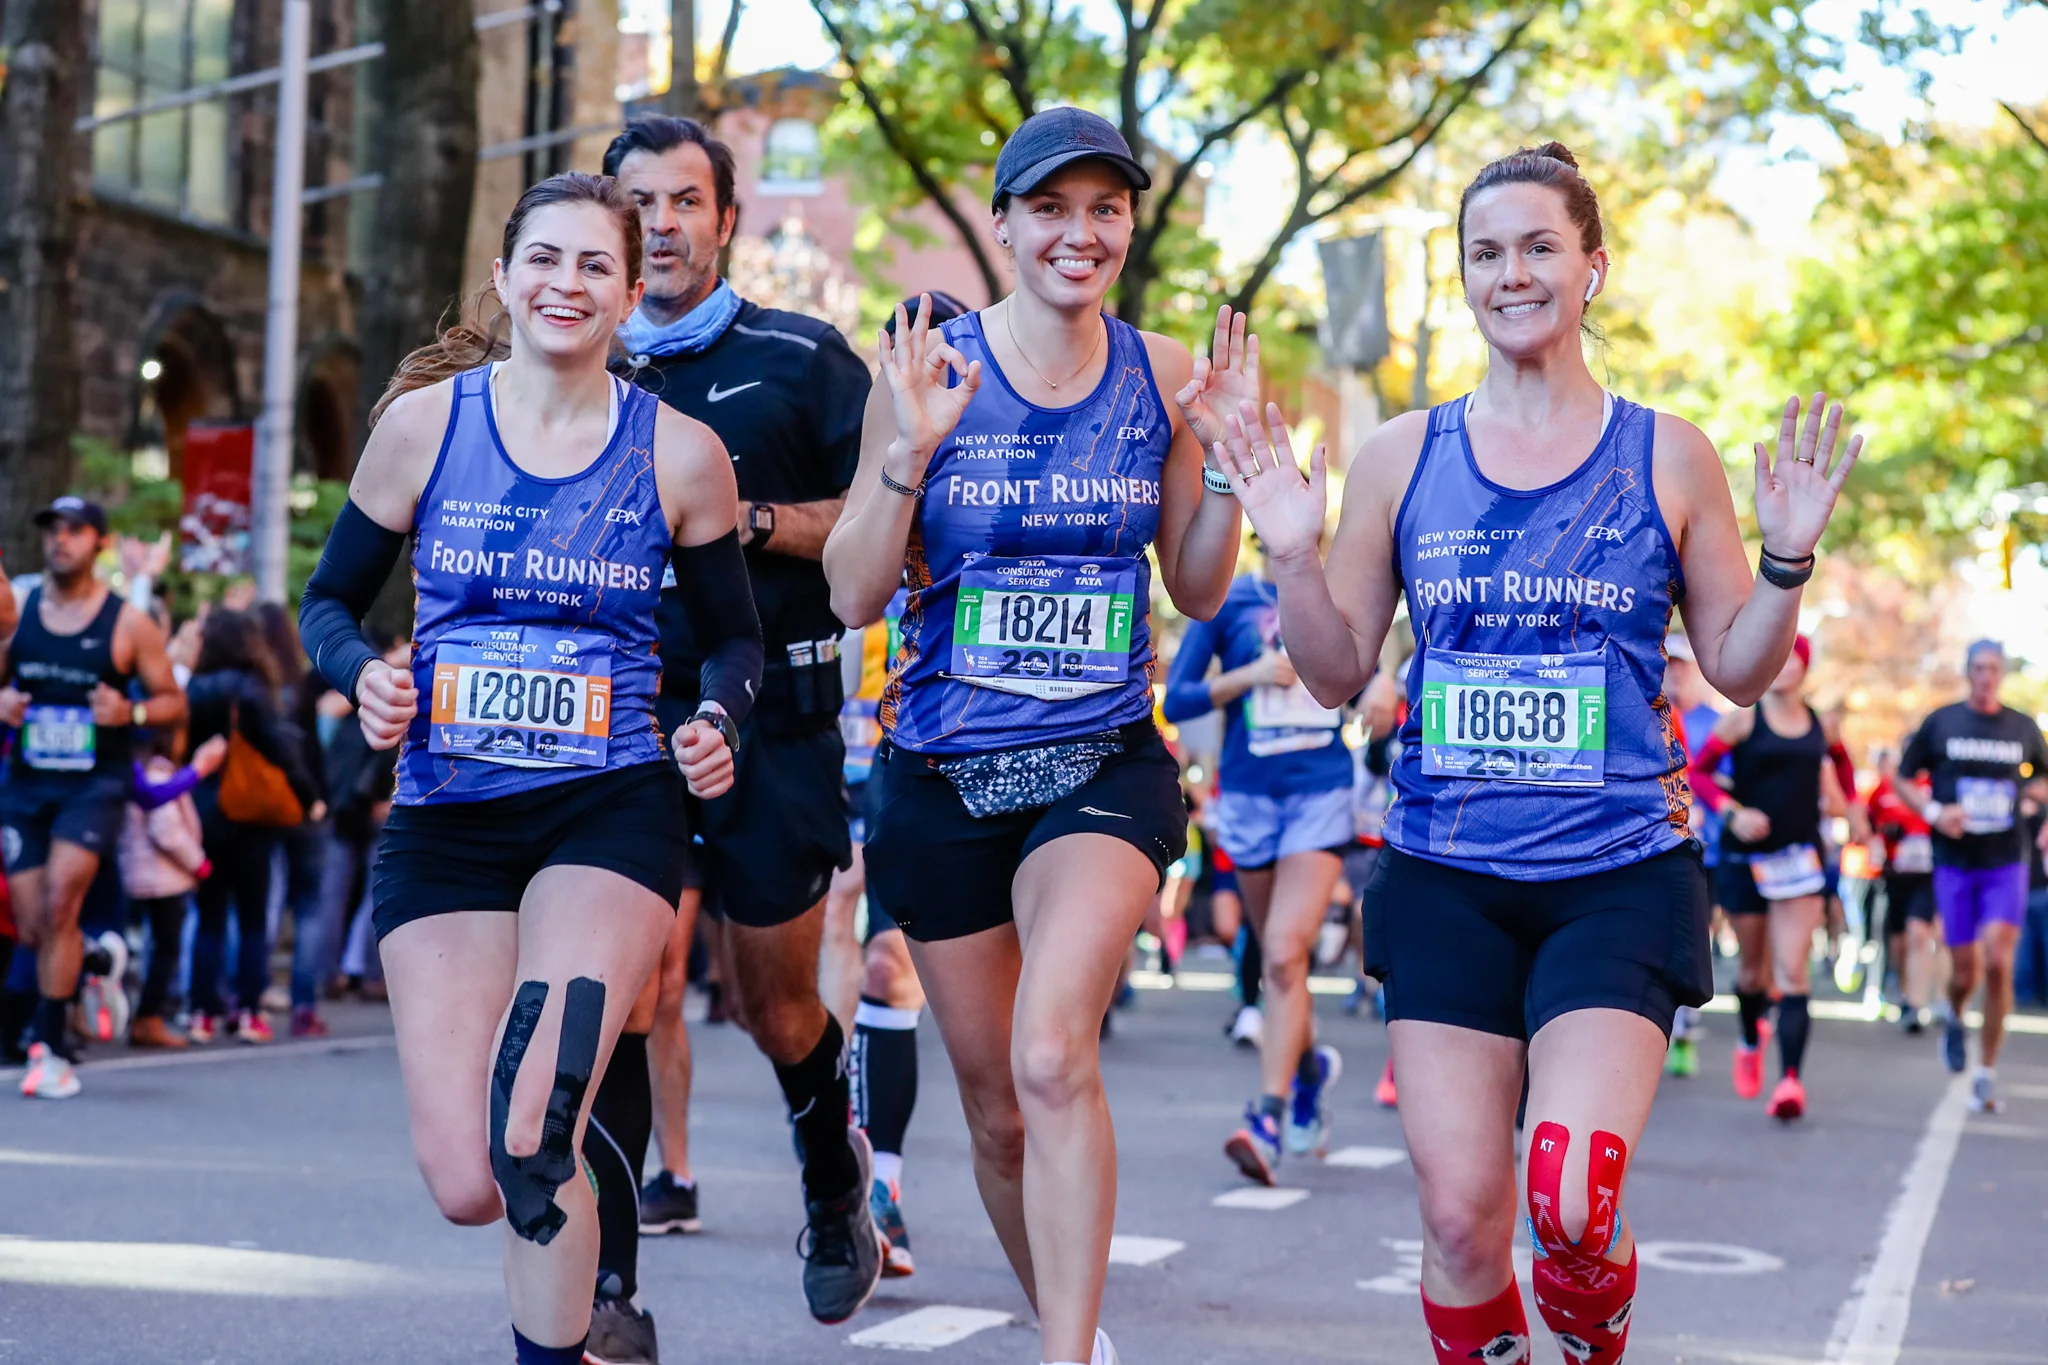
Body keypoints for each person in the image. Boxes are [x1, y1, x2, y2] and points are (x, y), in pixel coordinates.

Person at [1210, 141, 1860, 1364]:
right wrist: (1291, 553)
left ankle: (1592, 1333)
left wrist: (1783, 562)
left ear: (1590, 267)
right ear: (1463, 276)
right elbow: (1337, 671)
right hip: (1443, 873)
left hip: (1614, 872)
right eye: (1485, 253)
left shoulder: (1666, 453)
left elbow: (1735, 667)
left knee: (1567, 1201)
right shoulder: (1401, 456)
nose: (1510, 274)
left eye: (1538, 248)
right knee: (1462, 1221)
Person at [295, 170, 760, 1365]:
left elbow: (734, 643)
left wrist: (717, 718)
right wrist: (361, 676)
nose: (567, 283)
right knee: (468, 1179)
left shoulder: (681, 455)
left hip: (606, 811)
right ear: (503, 277)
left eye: (595, 265)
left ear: (628, 294)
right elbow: (328, 603)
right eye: (544, 259)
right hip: (447, 818)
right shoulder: (424, 428)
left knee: (535, 1134)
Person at [825, 106, 1248, 1365]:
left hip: (1100, 763)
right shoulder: (925, 366)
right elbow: (850, 592)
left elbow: (1198, 587)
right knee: (998, 1112)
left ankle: (1062, 1354)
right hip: (940, 773)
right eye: (1050, 208)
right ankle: (1075, 1326)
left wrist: (1227, 463)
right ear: (1003, 223)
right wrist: (910, 452)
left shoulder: (1162, 374)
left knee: (1054, 1052)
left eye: (1104, 209)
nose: (1080, 233)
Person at [574, 116, 884, 1363]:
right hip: (618, 724)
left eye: (684, 200)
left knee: (771, 1003)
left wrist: (739, 519)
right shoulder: (574, 361)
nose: (660, 224)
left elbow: (885, 527)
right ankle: (611, 1290)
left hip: (776, 721)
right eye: (638, 202)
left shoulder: (802, 358)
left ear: (727, 219)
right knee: (625, 993)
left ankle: (833, 1174)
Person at [1163, 549, 1351, 1183]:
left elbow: (1368, 676)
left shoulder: (1342, 589)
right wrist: (1248, 676)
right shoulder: (1230, 602)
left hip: (1320, 792)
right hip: (1249, 798)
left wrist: (1377, 686)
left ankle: (1267, 1118)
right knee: (1279, 962)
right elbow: (1178, 699)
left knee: (1283, 953)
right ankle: (1308, 1072)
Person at [2, 496, 186, 1099]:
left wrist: (130, 711)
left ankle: (51, 1049)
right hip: (27, 784)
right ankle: (97, 963)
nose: (60, 539)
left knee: (61, 904)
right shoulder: (19, 613)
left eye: (75, 530)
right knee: (34, 924)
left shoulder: (126, 623)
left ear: (99, 543)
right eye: (52, 529)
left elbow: (173, 702)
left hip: (93, 784)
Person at [1687, 634, 1857, 1120]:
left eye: (1793, 661)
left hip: (1800, 862)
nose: (1784, 668)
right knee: (1752, 974)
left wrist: (1851, 808)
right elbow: (1698, 774)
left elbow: (1844, 767)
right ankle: (1749, 1036)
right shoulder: (1743, 719)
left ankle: (1790, 1083)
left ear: (1804, 668)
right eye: (1777, 659)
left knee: (1791, 972)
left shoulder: (1822, 725)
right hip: (1747, 861)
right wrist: (1732, 812)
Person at [1899, 640, 2048, 1113]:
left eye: (1994, 669)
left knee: (1999, 959)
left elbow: (2044, 778)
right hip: (1955, 861)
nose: (1986, 676)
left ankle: (1986, 1072)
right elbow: (1903, 777)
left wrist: (2033, 798)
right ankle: (1956, 1010)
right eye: (1979, 668)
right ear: (1967, 672)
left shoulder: (2022, 727)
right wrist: (1934, 812)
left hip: (2006, 860)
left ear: (2002, 674)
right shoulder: (1942, 722)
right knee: (1966, 970)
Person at [182, 608, 320, 1045]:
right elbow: (280, 747)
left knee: (208, 916)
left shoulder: (193, 688)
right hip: (250, 814)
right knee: (253, 917)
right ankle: (248, 1012)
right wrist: (308, 795)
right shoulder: (253, 688)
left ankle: (201, 1013)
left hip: (203, 811)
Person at [1661, 633, 1721, 1078]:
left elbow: (1717, 779)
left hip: (1703, 846)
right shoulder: (1643, 711)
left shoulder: (1713, 723)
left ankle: (1683, 1028)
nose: (1674, 672)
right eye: (1669, 663)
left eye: (1682, 665)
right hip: (1655, 843)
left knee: (1691, 936)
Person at [1866, 744, 1937, 1029]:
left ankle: (1915, 1004)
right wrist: (1880, 838)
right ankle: (1903, 992)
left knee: (1919, 934)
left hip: (1927, 876)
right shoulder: (1885, 788)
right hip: (1894, 875)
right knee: (1898, 943)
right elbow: (1866, 823)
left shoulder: (1936, 785)